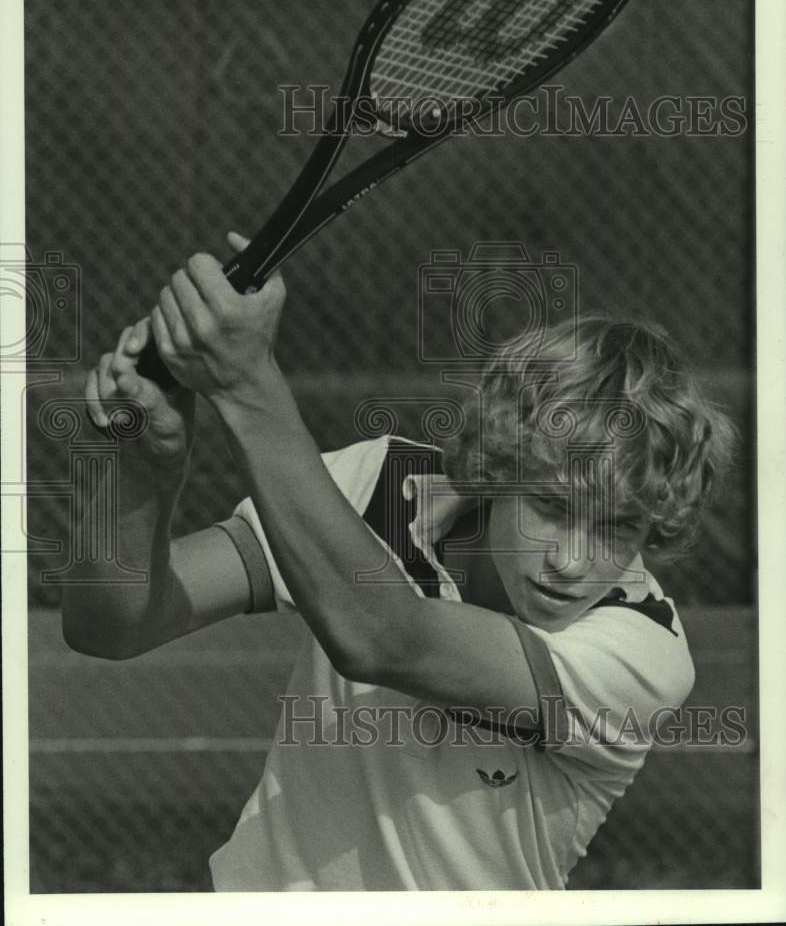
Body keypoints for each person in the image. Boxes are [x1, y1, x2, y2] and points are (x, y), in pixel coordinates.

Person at [67, 233, 735, 890]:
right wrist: (141, 469)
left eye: (618, 528)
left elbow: (384, 639)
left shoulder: (643, 653)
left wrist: (246, 382)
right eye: (552, 507)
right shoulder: (382, 480)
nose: (570, 561)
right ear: (502, 464)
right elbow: (113, 625)